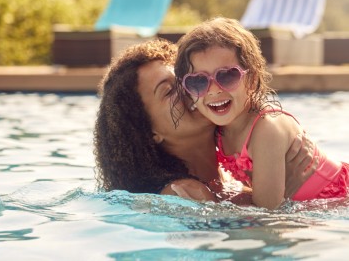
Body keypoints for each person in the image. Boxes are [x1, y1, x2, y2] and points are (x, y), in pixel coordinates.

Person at [93, 38, 317, 204]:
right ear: (149, 132)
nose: (195, 90)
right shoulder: (184, 193)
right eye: (169, 91)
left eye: (190, 78)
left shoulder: (235, 167)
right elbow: (267, 232)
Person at [174, 17, 348, 209]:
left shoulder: (267, 129)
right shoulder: (218, 129)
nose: (214, 90)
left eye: (227, 75)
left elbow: (266, 215)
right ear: (187, 89)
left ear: (252, 77)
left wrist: (213, 204)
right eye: (198, 82)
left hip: (339, 198)